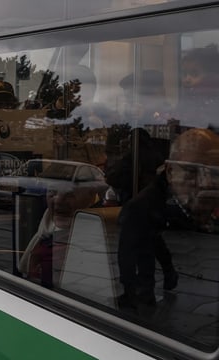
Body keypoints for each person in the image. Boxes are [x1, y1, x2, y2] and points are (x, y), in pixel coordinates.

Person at [116, 128, 219, 308]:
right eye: (191, 171)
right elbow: (128, 258)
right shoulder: (142, 208)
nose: (206, 183)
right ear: (170, 172)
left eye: (215, 172)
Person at [19, 182, 99, 288]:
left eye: (70, 194)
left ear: (90, 197)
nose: (58, 201)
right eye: (52, 192)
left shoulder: (94, 242)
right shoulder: (46, 228)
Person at [175, 44, 219, 128]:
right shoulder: (187, 96)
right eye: (184, 74)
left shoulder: (213, 99)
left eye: (194, 74)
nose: (187, 79)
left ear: (211, 76)